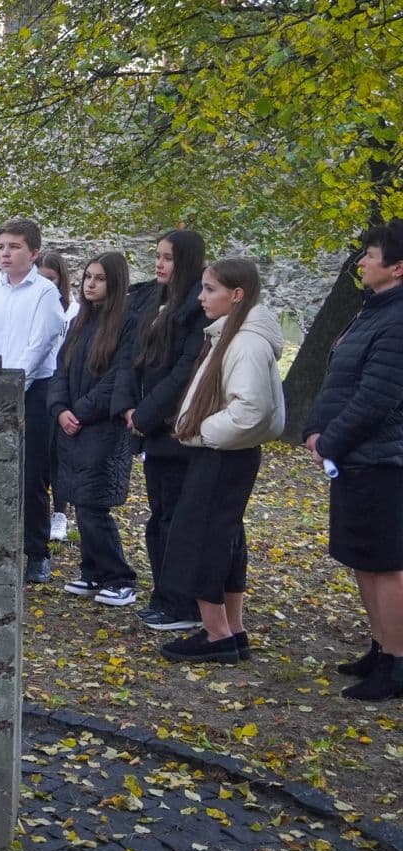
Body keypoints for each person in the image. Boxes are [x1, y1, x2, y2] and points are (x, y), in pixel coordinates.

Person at [158, 258, 284, 665]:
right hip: (225, 453)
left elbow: (250, 410)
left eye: (210, 289)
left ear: (237, 294)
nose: (201, 297)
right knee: (223, 539)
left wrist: (200, 433)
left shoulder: (245, 342)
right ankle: (232, 629)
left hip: (222, 454)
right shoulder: (233, 335)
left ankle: (216, 634)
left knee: (204, 539)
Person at [304, 220, 403, 700]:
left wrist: (331, 441)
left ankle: (398, 663)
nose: (361, 262)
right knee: (364, 561)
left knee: (385, 564)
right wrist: (315, 430)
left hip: (383, 461)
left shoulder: (397, 318)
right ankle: (381, 649)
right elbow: (339, 380)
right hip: (357, 458)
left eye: (370, 255)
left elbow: (376, 398)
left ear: (398, 268)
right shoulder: (374, 310)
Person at [113, 229, 209, 632]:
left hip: (176, 429)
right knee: (161, 515)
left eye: (167, 258)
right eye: (157, 256)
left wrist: (147, 414)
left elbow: (184, 372)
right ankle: (165, 596)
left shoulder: (197, 309)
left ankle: (181, 602)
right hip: (151, 425)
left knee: (177, 519)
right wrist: (128, 406)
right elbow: (132, 358)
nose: (159, 264)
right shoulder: (154, 302)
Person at [0, 217, 64, 584]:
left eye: (14, 247)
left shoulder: (45, 293)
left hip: (33, 391)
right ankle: (0, 545)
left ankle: (36, 551)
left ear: (33, 252)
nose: (5, 253)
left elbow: (40, 345)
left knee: (31, 474)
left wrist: (15, 382)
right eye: (2, 246)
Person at [48, 253, 137, 607]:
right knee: (78, 499)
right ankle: (91, 570)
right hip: (71, 426)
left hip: (101, 429)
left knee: (92, 505)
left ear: (114, 283)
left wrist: (81, 412)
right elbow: (60, 370)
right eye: (87, 277)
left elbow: (118, 378)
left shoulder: (126, 324)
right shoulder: (80, 323)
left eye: (99, 278)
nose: (90, 284)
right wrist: (59, 409)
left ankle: (119, 576)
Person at [37, 249, 77, 541]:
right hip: (39, 381)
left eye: (51, 278)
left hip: (62, 382)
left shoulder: (73, 310)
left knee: (58, 453)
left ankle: (60, 512)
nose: (46, 284)